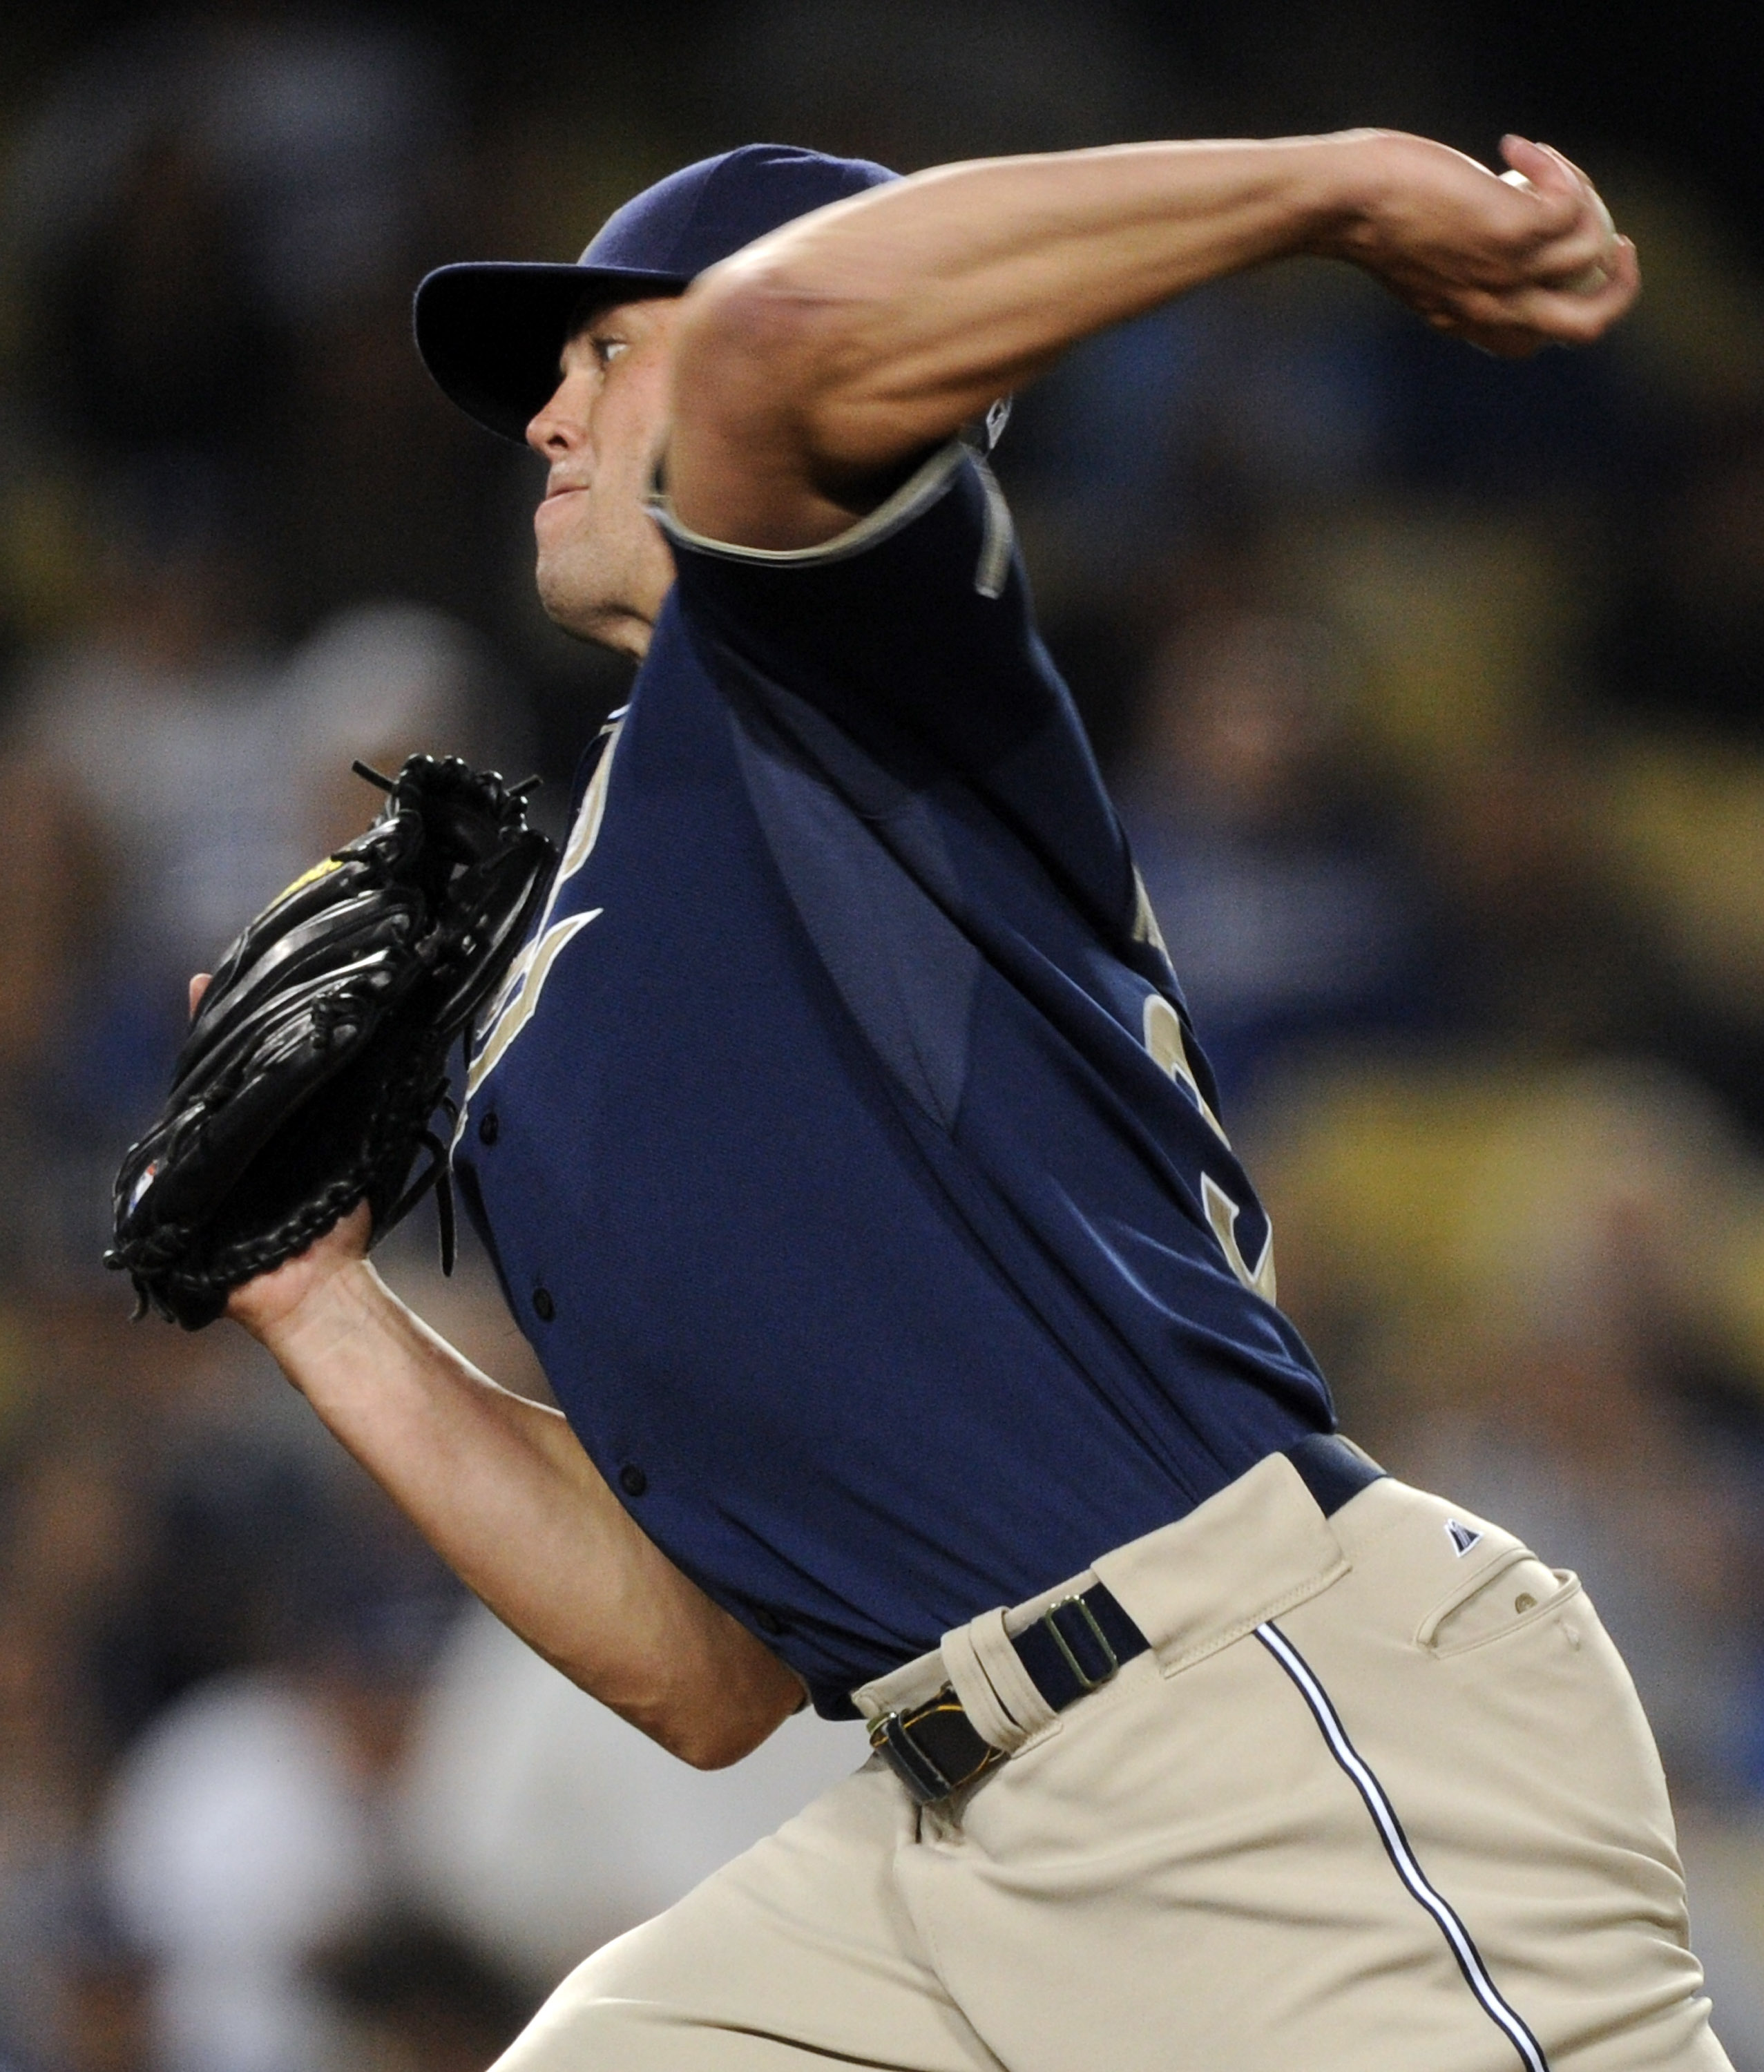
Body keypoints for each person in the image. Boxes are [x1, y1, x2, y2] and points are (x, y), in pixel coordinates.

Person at [209, 132, 1731, 2067]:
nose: (542, 416)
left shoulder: (839, 662)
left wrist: (1334, 187)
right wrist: (319, 1303)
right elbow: (703, 1669)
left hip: (1251, 1722)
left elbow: (784, 353)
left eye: (604, 351)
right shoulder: (591, 924)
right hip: (941, 1820)